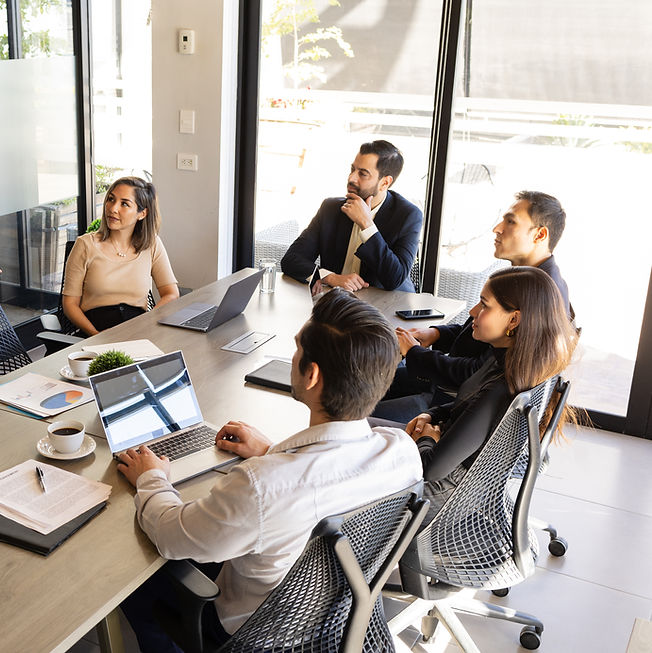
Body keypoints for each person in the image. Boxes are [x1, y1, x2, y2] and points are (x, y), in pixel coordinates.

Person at [115, 289, 423, 652]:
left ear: (312, 376)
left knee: (136, 584)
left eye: (297, 348)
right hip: (332, 616)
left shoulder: (261, 484)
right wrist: (270, 451)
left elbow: (170, 536)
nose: (292, 357)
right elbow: (319, 475)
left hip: (255, 636)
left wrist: (150, 477)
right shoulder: (402, 450)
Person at [373, 190, 574, 422]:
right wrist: (436, 333)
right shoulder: (529, 280)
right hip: (445, 383)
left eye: (510, 222)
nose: (497, 228)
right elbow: (476, 328)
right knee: (366, 382)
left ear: (540, 235)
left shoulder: (540, 298)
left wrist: (414, 352)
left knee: (350, 410)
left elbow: (475, 373)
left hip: (453, 402)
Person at [402, 266, 577, 519]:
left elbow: (431, 469)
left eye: (484, 305)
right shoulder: (515, 363)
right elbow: (468, 406)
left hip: (438, 501)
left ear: (514, 320)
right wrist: (430, 416)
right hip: (460, 486)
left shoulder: (502, 387)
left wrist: (426, 439)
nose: (473, 311)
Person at [281, 140, 422, 293]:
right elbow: (291, 260)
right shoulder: (331, 209)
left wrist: (367, 225)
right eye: (352, 169)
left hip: (386, 308)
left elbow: (394, 279)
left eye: (363, 173)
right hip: (336, 303)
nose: (351, 178)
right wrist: (330, 277)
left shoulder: (408, 215)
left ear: (384, 183)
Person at [62, 176, 179, 336]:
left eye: (124, 203)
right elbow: (69, 303)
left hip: (139, 331)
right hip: (96, 331)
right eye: (111, 199)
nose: (112, 208)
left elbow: (171, 293)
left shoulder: (152, 244)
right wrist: (95, 335)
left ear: (142, 213)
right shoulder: (85, 245)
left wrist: (147, 323)